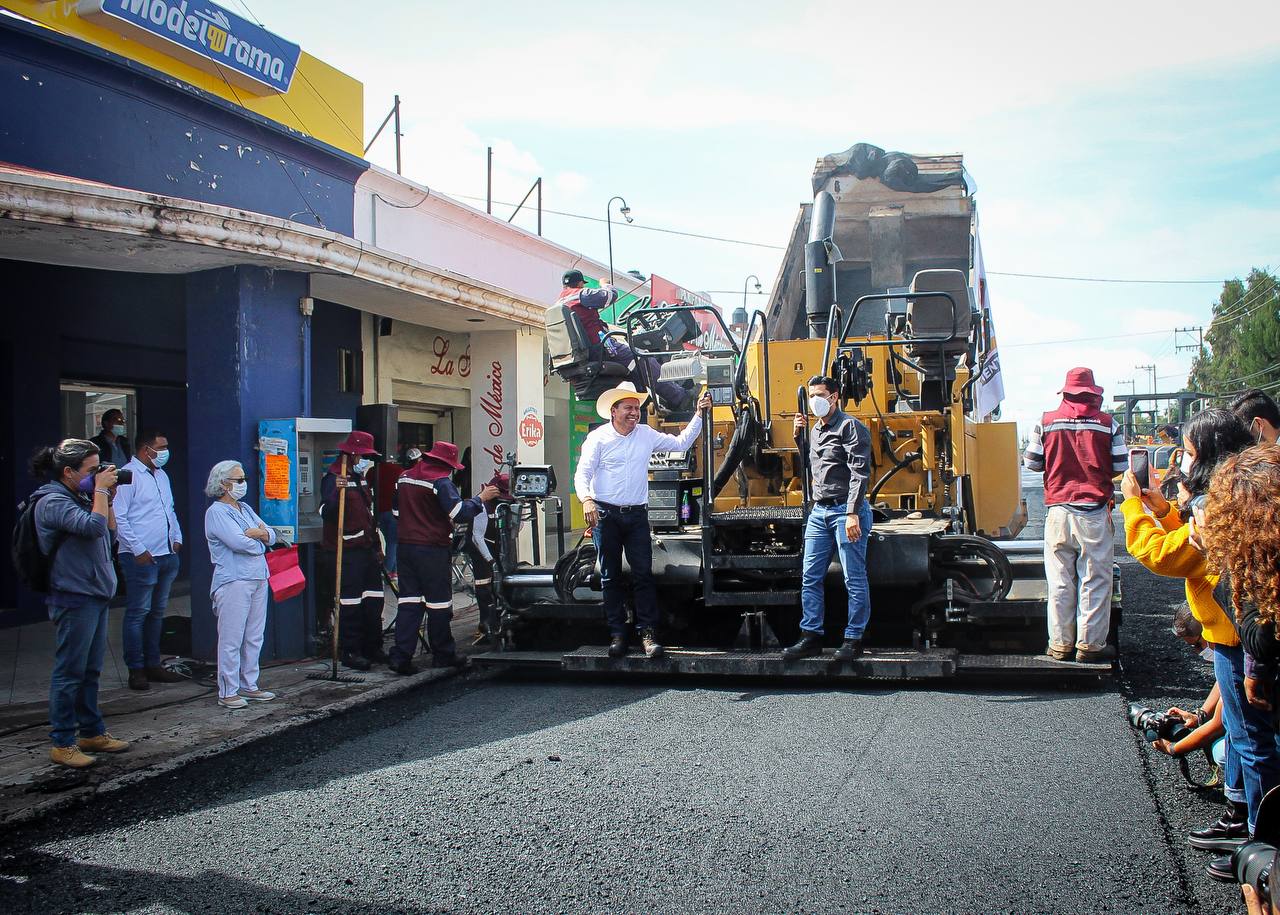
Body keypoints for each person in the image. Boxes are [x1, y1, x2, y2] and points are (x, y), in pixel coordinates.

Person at [1122, 409, 1275, 880]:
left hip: (1240, 643)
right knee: (1247, 738)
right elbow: (1188, 541)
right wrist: (1163, 509)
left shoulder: (1219, 508)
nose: (1180, 464)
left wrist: (1131, 507)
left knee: (1252, 742)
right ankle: (1241, 819)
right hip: (1235, 639)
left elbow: (1167, 555)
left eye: (1187, 454)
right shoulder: (1233, 499)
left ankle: (1261, 846)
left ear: (1208, 456)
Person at [574, 381, 711, 659]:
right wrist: (587, 500)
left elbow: (681, 443)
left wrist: (698, 413)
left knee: (643, 576)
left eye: (637, 408)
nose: (634, 413)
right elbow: (582, 473)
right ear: (614, 411)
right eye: (628, 408)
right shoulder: (598, 439)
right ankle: (617, 633)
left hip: (636, 515)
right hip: (606, 514)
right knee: (610, 576)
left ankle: (647, 633)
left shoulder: (646, 434)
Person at [30, 440, 130, 768]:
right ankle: (62, 741)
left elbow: (109, 534)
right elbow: (92, 527)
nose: (99, 474)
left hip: (95, 593)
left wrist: (108, 498)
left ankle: (91, 731)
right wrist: (100, 493)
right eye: (92, 470)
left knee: (90, 670)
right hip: (74, 596)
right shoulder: (53, 502)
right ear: (69, 472)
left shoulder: (83, 497)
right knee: (70, 671)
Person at [1023, 367, 1127, 662]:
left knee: (1059, 581)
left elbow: (1031, 461)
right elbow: (1120, 465)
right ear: (1094, 394)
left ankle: (1059, 644)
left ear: (1065, 392)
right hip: (1094, 513)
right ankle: (1089, 646)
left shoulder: (1045, 422)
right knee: (1094, 580)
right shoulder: (1109, 424)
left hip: (1058, 512)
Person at [783, 375, 874, 662]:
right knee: (810, 577)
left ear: (835, 397)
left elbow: (860, 473)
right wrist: (798, 437)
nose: (814, 401)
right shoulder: (814, 431)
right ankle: (811, 635)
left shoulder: (851, 427)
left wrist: (851, 514)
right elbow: (813, 466)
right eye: (811, 395)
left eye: (820, 394)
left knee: (853, 578)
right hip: (819, 512)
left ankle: (853, 638)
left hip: (845, 511)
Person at [389, 442, 499, 674]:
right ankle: (443, 654)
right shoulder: (440, 481)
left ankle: (401, 656)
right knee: (438, 603)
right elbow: (460, 513)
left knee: (409, 602)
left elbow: (396, 512)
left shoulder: (405, 477)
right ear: (446, 464)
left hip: (406, 547)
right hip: (432, 549)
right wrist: (480, 498)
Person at [555, 269, 690, 410]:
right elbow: (610, 296)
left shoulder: (559, 303)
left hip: (585, 354)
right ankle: (680, 398)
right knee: (644, 360)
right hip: (601, 350)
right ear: (580, 283)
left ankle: (646, 408)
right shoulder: (581, 294)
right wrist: (605, 284)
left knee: (635, 372)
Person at [112, 430, 184, 691]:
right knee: (137, 613)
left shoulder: (161, 475)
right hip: (140, 557)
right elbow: (120, 518)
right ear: (145, 449)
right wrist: (139, 550)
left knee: (157, 613)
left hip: (167, 554)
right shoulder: (127, 476)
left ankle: (153, 664)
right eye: (161, 447)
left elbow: (170, 510)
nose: (166, 452)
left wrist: (177, 537)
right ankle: (136, 668)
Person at [203, 461, 278, 710]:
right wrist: (259, 537)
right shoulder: (216, 512)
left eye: (243, 478)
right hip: (234, 579)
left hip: (258, 576)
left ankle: (249, 684)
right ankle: (228, 690)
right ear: (223, 483)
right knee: (232, 637)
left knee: (255, 635)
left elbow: (272, 534)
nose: (242, 483)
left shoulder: (244, 508)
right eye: (237, 479)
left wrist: (258, 534)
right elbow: (239, 543)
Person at [319, 431, 385, 671]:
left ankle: (373, 646)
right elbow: (325, 513)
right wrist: (337, 493)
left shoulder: (360, 478)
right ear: (354, 454)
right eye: (364, 456)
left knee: (373, 599)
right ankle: (351, 650)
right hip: (345, 551)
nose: (366, 460)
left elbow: (368, 514)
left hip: (367, 549)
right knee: (351, 603)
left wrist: (377, 546)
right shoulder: (334, 478)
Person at [468, 472, 516, 644]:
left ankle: (502, 619)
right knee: (484, 586)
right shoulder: (482, 506)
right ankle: (485, 624)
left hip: (499, 545)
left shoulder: (509, 504)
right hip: (481, 547)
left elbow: (515, 529)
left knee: (504, 583)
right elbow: (476, 537)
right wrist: (490, 560)